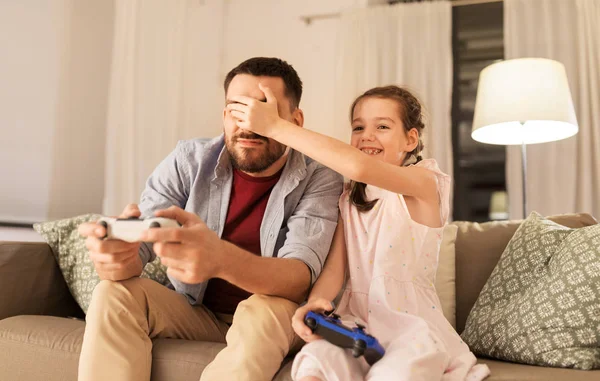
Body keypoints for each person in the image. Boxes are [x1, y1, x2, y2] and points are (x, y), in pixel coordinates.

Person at [76, 57, 343, 381]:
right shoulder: (189, 160)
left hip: (274, 314)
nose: (247, 124)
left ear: (295, 121)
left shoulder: (321, 177)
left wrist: (220, 259)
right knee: (113, 293)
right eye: (236, 109)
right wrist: (117, 258)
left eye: (264, 111)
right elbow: (138, 253)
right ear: (224, 114)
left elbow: (299, 277)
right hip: (196, 311)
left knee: (261, 310)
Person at [227, 84, 491, 380]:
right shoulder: (349, 198)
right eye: (358, 127)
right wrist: (314, 306)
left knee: (399, 370)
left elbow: (359, 167)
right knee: (316, 362)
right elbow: (335, 270)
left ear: (410, 139)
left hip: (411, 325)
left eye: (382, 126)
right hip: (356, 325)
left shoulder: (425, 182)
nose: (367, 135)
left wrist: (276, 127)